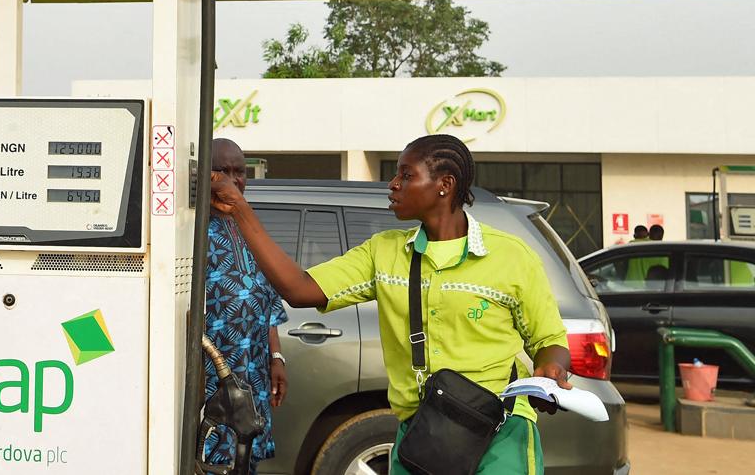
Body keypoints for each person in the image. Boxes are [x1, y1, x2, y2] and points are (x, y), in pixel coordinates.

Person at [211, 134, 571, 475]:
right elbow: (299, 289)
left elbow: (549, 341)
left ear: (444, 185)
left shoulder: (512, 256)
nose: (393, 184)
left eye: (406, 175)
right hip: (422, 432)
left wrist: (551, 370)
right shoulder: (384, 252)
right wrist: (241, 210)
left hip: (500, 431)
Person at [203, 138, 288, 475]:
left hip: (251, 371)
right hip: (212, 373)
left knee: (244, 456)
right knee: (208, 457)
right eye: (222, 170)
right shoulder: (189, 229)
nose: (233, 179)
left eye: (239, 171)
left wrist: (277, 356)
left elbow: (266, 298)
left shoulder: (249, 226)